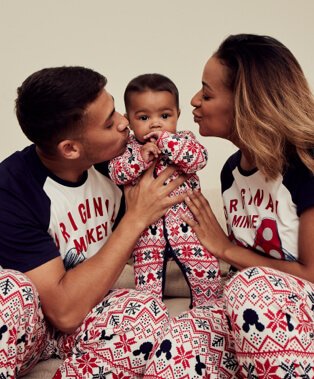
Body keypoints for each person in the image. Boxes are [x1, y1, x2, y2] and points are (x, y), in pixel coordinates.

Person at [143, 34, 314, 378]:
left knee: (249, 285)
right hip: (250, 317)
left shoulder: (304, 166)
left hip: (297, 313)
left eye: (207, 93)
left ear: (247, 102)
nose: (193, 101)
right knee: (179, 341)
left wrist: (224, 248)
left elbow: (312, 276)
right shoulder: (230, 173)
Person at [0, 66, 188, 378]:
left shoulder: (122, 162)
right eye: (109, 121)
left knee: (143, 311)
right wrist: (136, 217)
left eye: (115, 109)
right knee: (11, 291)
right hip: (31, 323)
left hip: (91, 316)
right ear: (70, 148)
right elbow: (63, 312)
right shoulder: (12, 189)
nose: (124, 123)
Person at [108, 73, 221, 308]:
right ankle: (152, 319)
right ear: (129, 120)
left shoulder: (183, 141)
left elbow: (198, 160)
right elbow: (117, 173)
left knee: (205, 274)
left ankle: (207, 313)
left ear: (177, 115)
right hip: (147, 234)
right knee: (146, 289)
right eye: (144, 117)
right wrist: (140, 159)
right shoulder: (129, 150)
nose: (155, 123)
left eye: (165, 115)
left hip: (188, 227)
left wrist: (167, 142)